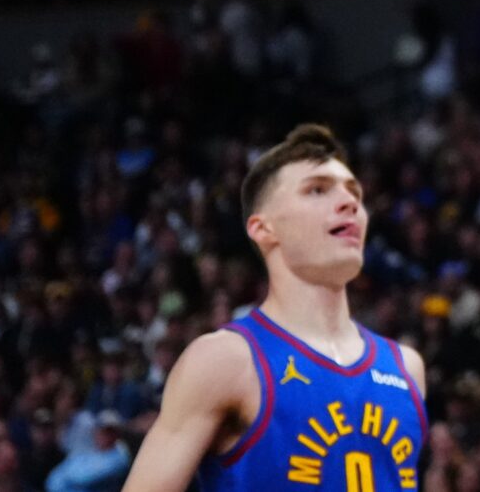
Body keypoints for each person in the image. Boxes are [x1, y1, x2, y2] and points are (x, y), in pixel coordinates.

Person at [120, 126, 430, 492]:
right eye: (317, 190)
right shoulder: (224, 360)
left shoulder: (406, 367)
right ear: (264, 229)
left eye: (354, 193)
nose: (350, 203)